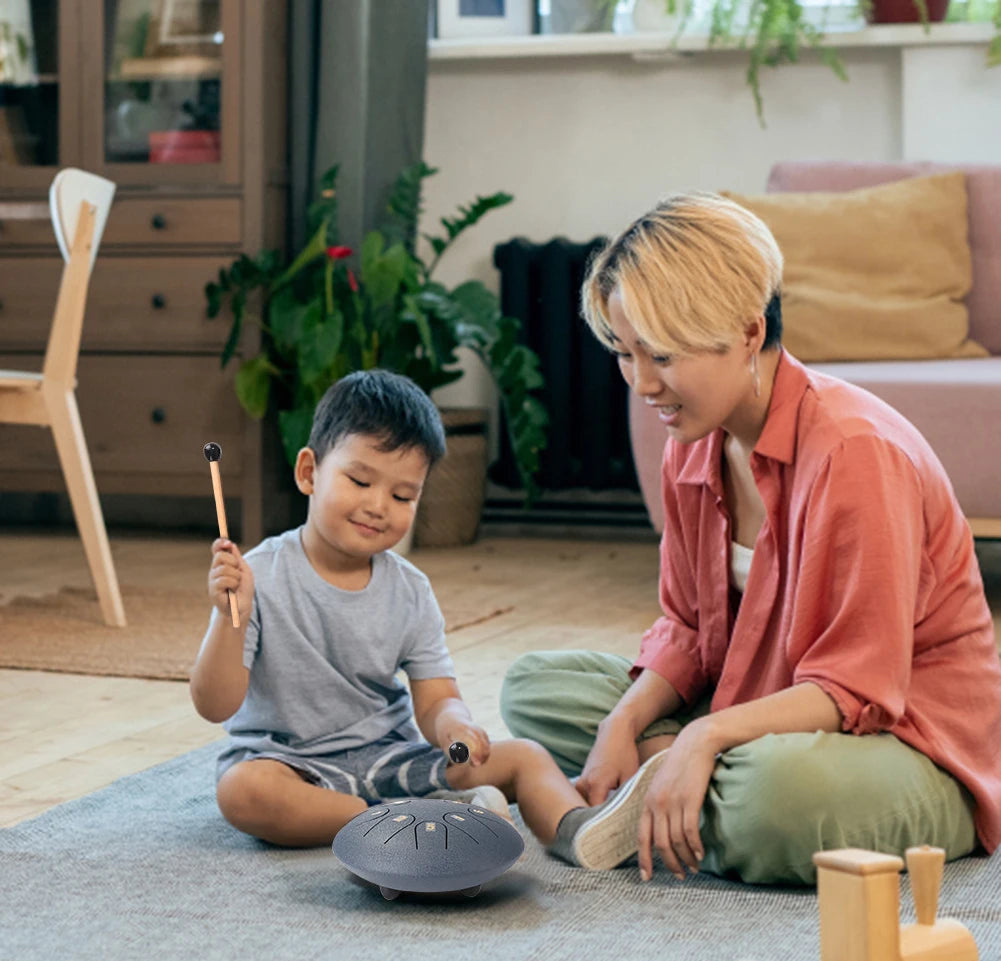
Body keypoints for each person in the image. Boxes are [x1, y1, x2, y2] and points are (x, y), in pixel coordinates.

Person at [499, 192, 1001, 886]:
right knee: (534, 687)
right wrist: (621, 720)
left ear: (743, 332)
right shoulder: (692, 438)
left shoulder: (854, 451)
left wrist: (705, 733)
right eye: (625, 352)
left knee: (779, 799)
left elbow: (856, 686)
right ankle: (664, 773)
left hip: (902, 740)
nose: (643, 383)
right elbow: (685, 628)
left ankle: (666, 781)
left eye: (663, 355)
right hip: (760, 698)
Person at [189, 368, 654, 862]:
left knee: (524, 756)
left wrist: (455, 727)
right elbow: (214, 704)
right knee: (243, 791)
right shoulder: (258, 576)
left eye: (402, 496)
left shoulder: (409, 589)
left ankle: (577, 827)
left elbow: (435, 700)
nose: (377, 506)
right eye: (359, 480)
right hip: (291, 764)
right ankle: (398, 821)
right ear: (309, 472)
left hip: (392, 758)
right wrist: (228, 618)